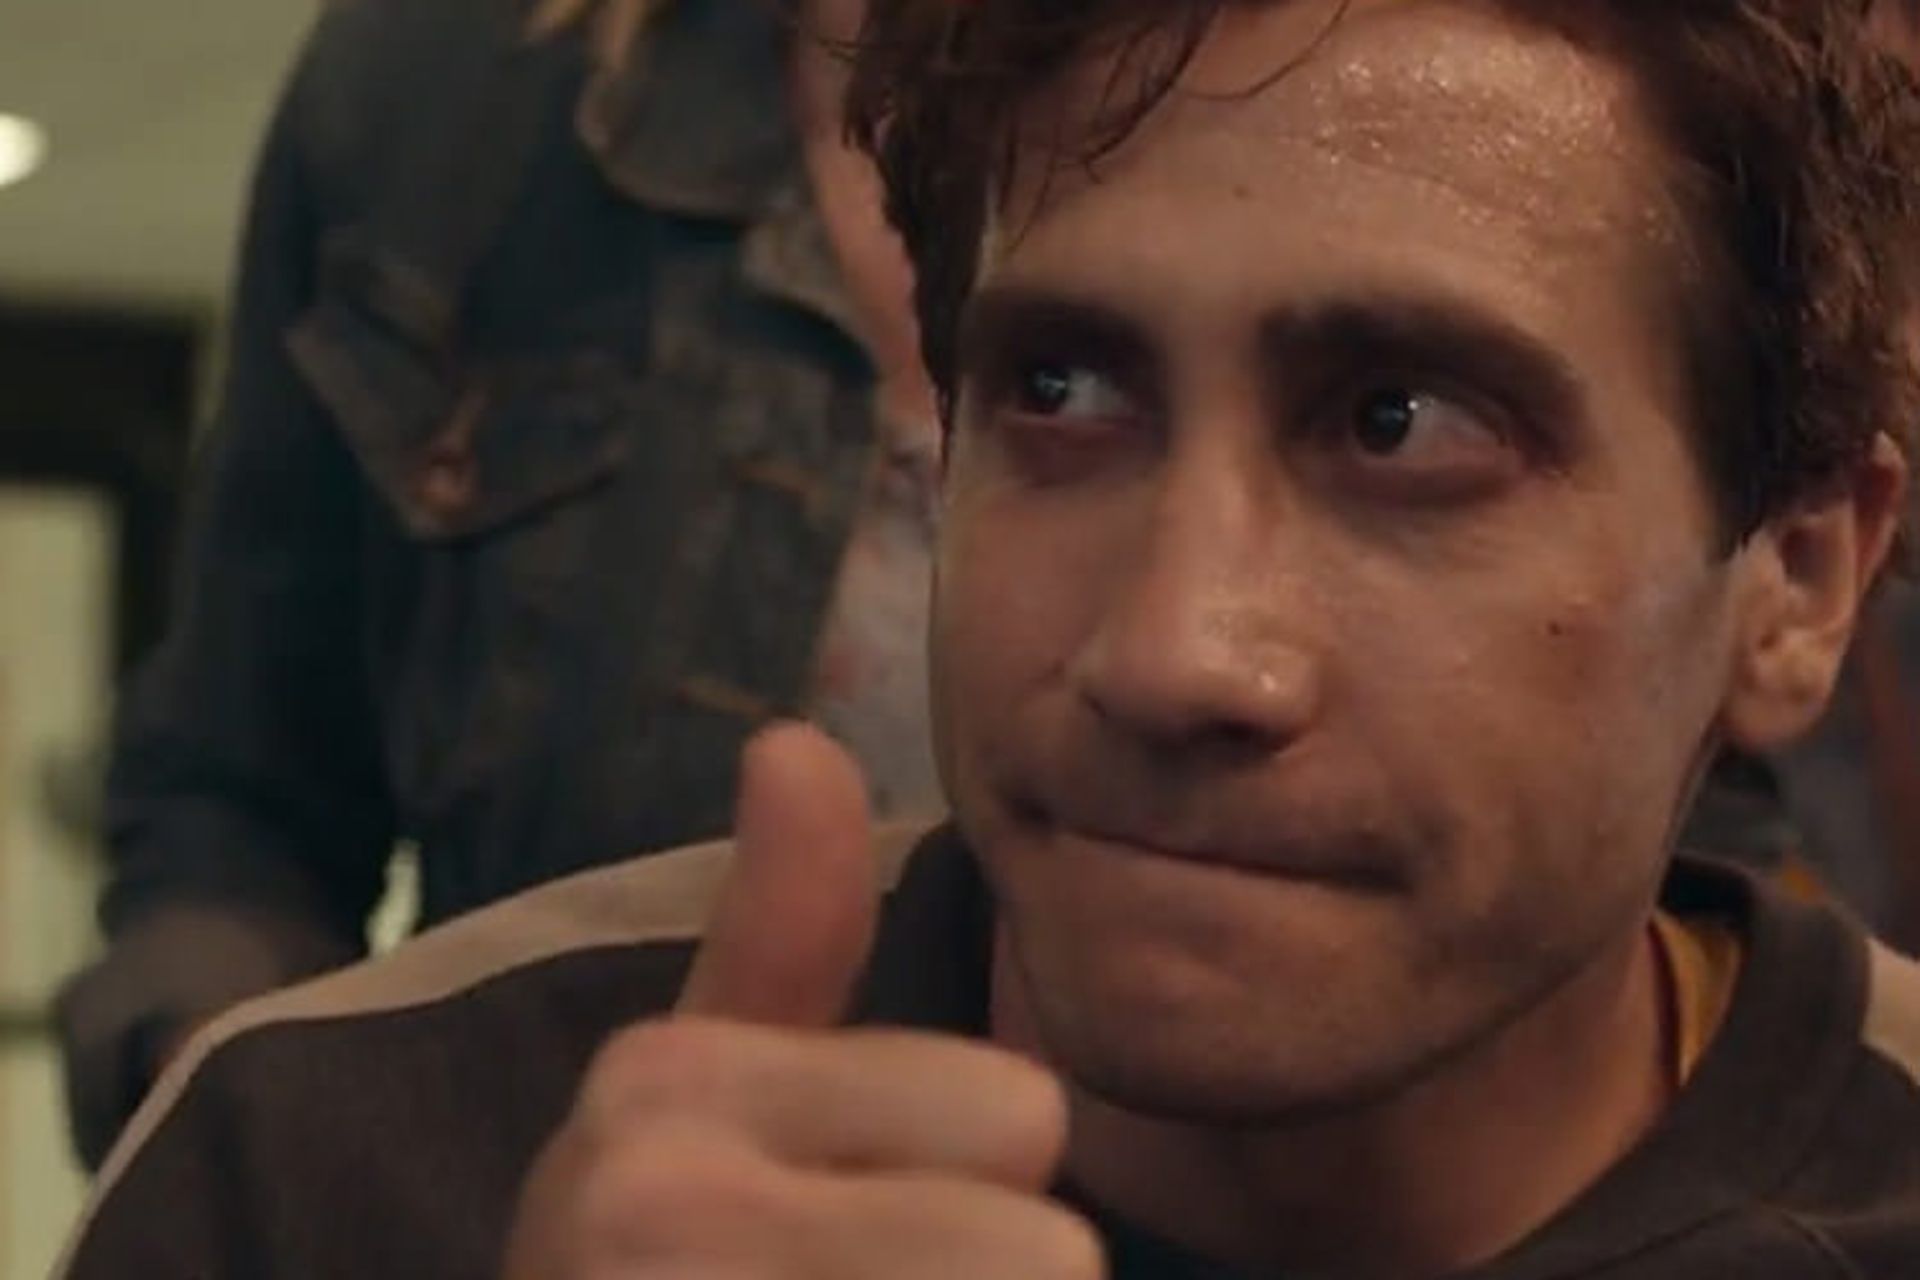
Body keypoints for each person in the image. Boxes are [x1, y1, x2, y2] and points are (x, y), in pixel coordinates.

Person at [55, 0, 1920, 1276]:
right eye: (1061, 390)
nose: (1172, 649)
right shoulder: (318, 1179)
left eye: (1400, 425)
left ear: (1803, 578)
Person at [54, 0, 943, 1169]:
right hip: (529, 1195)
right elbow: (239, 796)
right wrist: (269, 1140)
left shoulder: (1189, 109)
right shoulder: (452, 101)